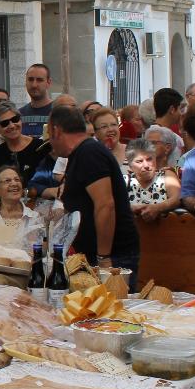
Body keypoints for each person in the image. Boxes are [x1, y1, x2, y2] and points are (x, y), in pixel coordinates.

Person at [50, 106, 140, 278]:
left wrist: (104, 257)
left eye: (50, 137)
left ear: (56, 130)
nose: (51, 145)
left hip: (113, 254)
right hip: (95, 253)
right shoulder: (81, 153)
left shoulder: (89, 153)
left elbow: (105, 204)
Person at [0, 101, 51, 187]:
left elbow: (50, 180)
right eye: (5, 123)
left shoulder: (41, 147)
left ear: (20, 120)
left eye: (15, 119)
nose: (12, 126)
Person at [0, 165, 40, 241]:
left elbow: (33, 250)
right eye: (7, 181)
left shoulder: (33, 217)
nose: (14, 184)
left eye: (17, 180)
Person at [125, 137, 181, 222]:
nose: (146, 165)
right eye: (139, 161)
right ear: (130, 166)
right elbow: (113, 204)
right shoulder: (126, 181)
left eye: (149, 159)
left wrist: (157, 208)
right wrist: (130, 208)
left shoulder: (166, 175)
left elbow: (177, 198)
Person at [17, 64, 53, 137]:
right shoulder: (18, 115)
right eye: (30, 79)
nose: (34, 85)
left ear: (48, 83)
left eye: (39, 80)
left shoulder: (60, 112)